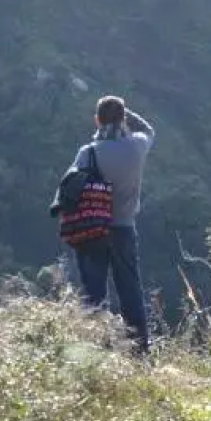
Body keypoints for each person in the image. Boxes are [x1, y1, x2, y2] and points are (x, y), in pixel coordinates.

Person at [68, 96, 155, 351]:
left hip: (92, 229)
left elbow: (71, 188)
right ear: (123, 119)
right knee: (130, 289)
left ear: (97, 120)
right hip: (124, 228)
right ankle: (139, 350)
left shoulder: (88, 153)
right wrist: (127, 114)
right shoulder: (137, 147)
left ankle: (98, 350)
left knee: (93, 293)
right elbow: (149, 130)